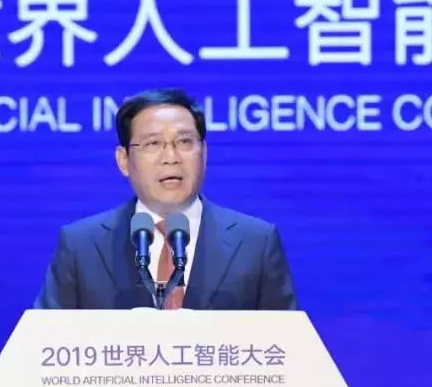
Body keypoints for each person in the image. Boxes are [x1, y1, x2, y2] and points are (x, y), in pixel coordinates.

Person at [34, 88, 297, 310]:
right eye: (152, 144)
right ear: (123, 160)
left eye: (184, 142)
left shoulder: (256, 242)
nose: (171, 157)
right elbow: (44, 345)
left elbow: (286, 346)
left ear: (204, 153)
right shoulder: (81, 246)